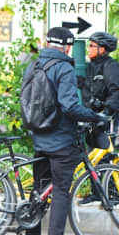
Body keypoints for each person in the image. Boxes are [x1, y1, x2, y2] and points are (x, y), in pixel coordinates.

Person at [24, 27, 108, 235]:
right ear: (68, 47)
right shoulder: (64, 68)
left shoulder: (33, 65)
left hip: (39, 138)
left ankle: (31, 232)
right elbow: (69, 106)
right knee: (61, 192)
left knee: (39, 189)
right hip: (61, 142)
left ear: (47, 43)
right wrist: (94, 116)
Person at [77, 31, 119, 204]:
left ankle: (112, 194)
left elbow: (116, 91)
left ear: (102, 49)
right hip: (92, 118)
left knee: (104, 156)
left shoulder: (110, 66)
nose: (88, 49)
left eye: (92, 46)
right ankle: (96, 193)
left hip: (107, 119)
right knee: (91, 155)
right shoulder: (90, 66)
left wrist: (106, 112)